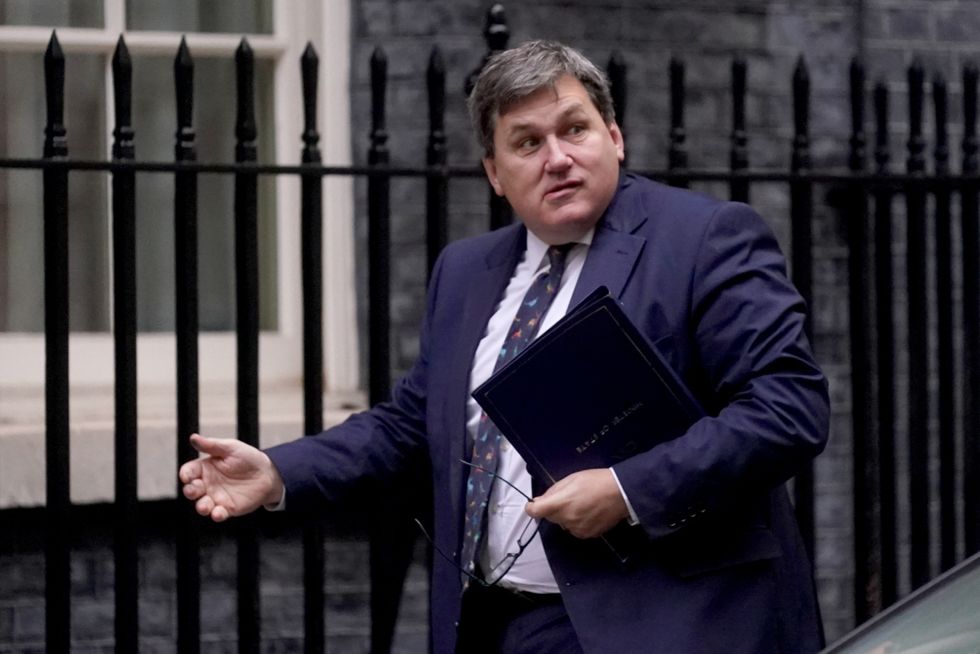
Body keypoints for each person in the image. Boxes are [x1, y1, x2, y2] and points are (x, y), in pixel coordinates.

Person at [180, 40, 829, 654]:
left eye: (574, 129)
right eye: (527, 142)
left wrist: (625, 491)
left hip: (666, 624)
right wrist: (279, 472)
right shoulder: (465, 270)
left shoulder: (705, 238)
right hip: (492, 624)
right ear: (494, 172)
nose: (557, 157)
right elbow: (410, 426)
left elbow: (787, 408)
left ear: (614, 136)